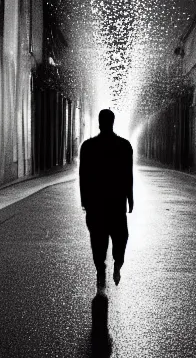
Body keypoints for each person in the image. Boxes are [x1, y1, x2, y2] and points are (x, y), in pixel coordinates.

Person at [79, 109, 134, 289]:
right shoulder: (124, 146)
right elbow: (128, 174)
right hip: (117, 202)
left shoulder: (88, 147)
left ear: (99, 123)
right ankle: (117, 264)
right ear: (113, 122)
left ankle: (100, 268)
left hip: (96, 204)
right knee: (121, 236)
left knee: (98, 239)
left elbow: (83, 176)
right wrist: (130, 197)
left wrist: (84, 201)